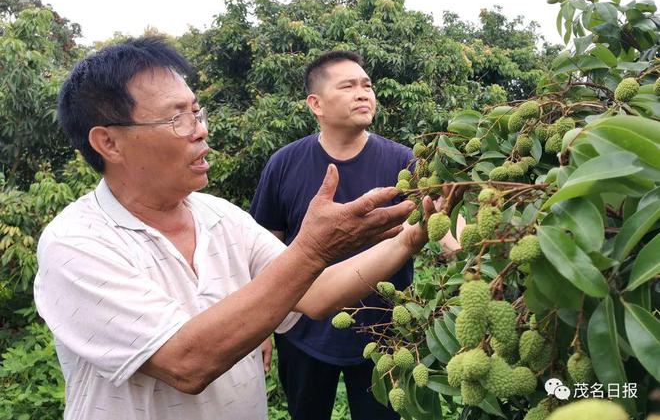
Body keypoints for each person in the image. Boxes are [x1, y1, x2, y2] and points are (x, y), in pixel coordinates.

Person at [33, 37, 438, 420]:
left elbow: (315, 293)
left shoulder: (221, 217)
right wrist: (314, 250)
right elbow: (187, 361)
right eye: (177, 117)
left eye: (196, 112)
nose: (200, 128)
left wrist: (409, 237)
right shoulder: (76, 242)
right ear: (109, 143)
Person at [250, 51, 459, 420]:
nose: (363, 94)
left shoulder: (403, 161)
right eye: (348, 86)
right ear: (315, 103)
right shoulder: (284, 163)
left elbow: (439, 221)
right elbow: (263, 249)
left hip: (385, 333)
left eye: (368, 86)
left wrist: (471, 252)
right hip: (302, 331)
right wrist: (259, 327)